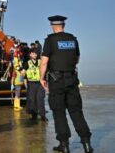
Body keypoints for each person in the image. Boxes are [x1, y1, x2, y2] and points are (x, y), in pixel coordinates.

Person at [40, 15, 93, 153]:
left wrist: (42, 78)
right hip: (72, 79)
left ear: (53, 26)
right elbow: (77, 58)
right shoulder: (73, 39)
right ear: (63, 25)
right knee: (76, 111)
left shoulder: (50, 40)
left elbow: (44, 62)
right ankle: (87, 144)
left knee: (59, 112)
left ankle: (64, 145)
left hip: (56, 81)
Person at [23, 48, 47, 121]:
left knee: (40, 99)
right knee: (32, 100)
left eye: (36, 53)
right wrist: (25, 84)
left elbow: (45, 71)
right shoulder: (27, 63)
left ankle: (43, 116)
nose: (35, 55)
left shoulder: (41, 62)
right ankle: (34, 116)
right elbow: (24, 74)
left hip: (40, 83)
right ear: (30, 54)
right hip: (31, 84)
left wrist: (46, 84)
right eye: (33, 53)